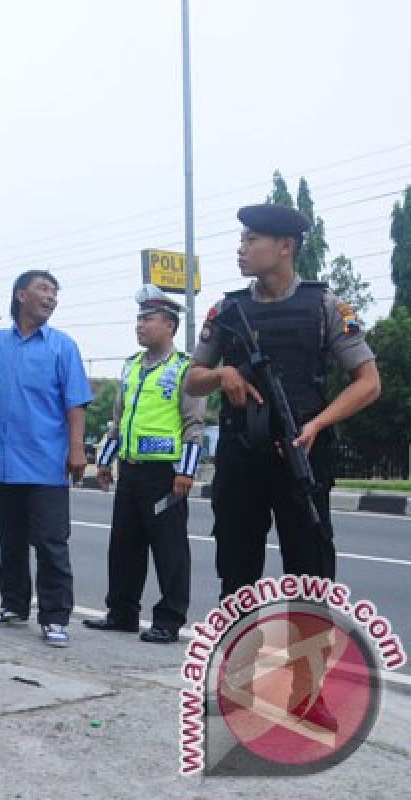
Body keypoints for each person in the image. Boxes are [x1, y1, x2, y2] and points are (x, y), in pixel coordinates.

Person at [187, 204, 381, 733]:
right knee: (237, 572)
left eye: (252, 239)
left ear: (285, 247)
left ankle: (308, 694)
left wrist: (319, 422)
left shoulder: (325, 305)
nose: (241, 248)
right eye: (243, 239)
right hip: (241, 456)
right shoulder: (225, 311)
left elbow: (368, 381)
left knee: (311, 577)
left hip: (302, 456)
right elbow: (191, 379)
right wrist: (223, 372)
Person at [85, 285, 205, 644]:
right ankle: (121, 613)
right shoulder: (131, 367)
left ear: (169, 325)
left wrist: (186, 471)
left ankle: (169, 620)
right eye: (138, 318)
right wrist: (104, 462)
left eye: (147, 319)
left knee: (169, 549)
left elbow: (194, 425)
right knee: (124, 545)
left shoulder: (184, 369)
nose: (139, 325)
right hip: (131, 470)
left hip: (165, 474)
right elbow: (118, 420)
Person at [0, 270, 91, 647]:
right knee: (9, 539)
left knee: (50, 542)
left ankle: (56, 616)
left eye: (55, 292)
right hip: (3, 460)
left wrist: (77, 449)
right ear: (20, 294)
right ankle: (13, 605)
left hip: (46, 462)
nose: (51, 297)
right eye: (44, 289)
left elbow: (75, 403)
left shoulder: (63, 347)